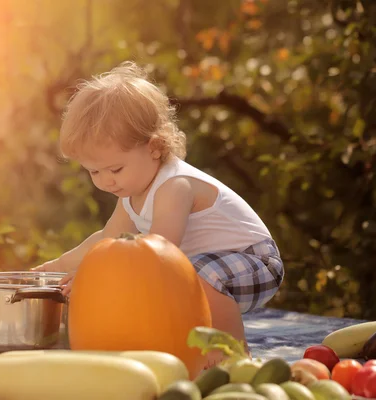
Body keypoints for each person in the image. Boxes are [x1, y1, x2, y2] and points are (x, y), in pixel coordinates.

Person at [33, 61, 284, 365]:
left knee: (192, 276)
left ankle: (233, 356)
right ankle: (179, 352)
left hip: (255, 261)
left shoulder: (174, 186)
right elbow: (106, 238)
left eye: (115, 168)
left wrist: (93, 276)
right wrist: (56, 267)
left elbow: (160, 253)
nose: (105, 181)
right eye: (93, 171)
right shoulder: (131, 192)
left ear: (154, 147)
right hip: (210, 267)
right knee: (178, 283)